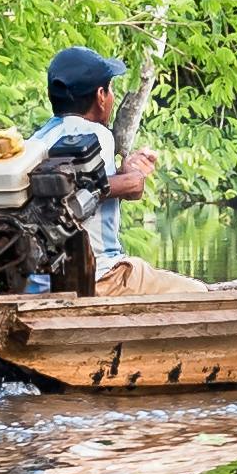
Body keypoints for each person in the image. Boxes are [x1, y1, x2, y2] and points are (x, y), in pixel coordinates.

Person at [31, 47, 163, 293]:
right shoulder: (96, 135)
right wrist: (134, 178)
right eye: (110, 89)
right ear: (101, 95)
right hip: (101, 276)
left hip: (40, 281)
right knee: (200, 292)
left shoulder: (39, 138)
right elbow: (90, 188)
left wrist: (126, 172)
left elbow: (88, 185)